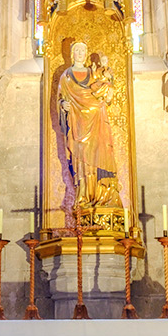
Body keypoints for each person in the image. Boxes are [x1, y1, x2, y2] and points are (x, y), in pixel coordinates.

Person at [57, 40, 118, 209]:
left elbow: (105, 86)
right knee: (81, 158)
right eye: (77, 50)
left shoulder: (93, 73)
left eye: (83, 50)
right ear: (72, 54)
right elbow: (60, 97)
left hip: (96, 120)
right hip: (77, 122)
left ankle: (101, 195)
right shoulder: (67, 76)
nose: (81, 53)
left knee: (99, 153)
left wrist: (107, 74)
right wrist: (63, 105)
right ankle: (83, 195)